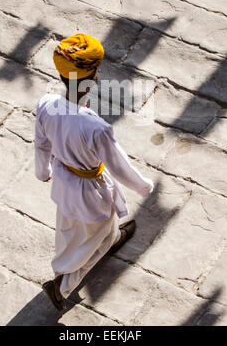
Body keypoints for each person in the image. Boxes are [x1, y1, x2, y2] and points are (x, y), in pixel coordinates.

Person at [35, 33, 154, 311]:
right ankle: (61, 286)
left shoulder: (46, 104)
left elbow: (41, 144)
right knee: (94, 235)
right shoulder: (95, 127)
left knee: (72, 226)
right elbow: (119, 166)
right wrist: (144, 186)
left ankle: (113, 238)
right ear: (94, 74)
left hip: (64, 181)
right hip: (91, 190)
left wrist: (43, 171)